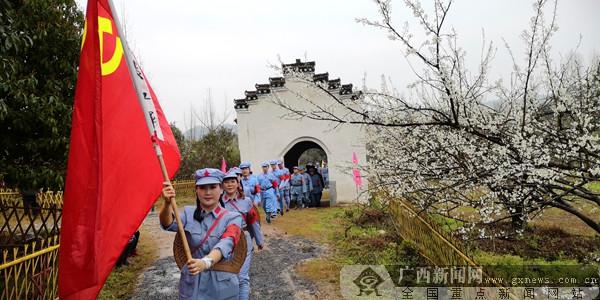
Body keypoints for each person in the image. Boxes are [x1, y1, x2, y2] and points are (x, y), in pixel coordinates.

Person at [161, 168, 243, 299]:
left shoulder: (233, 217)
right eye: (202, 187)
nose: (208, 192)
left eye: (213, 187)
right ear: (196, 190)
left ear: (221, 189)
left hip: (221, 287)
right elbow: (167, 224)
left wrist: (205, 262)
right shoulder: (188, 214)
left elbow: (227, 242)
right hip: (192, 285)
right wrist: (166, 204)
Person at [221, 171, 264, 300]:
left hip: (243, 240)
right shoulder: (217, 202)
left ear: (237, 183)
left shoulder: (247, 201)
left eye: (232, 181)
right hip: (224, 242)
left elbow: (253, 222)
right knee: (228, 275)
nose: (229, 185)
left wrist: (259, 240)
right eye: (226, 182)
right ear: (222, 185)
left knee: (242, 277)